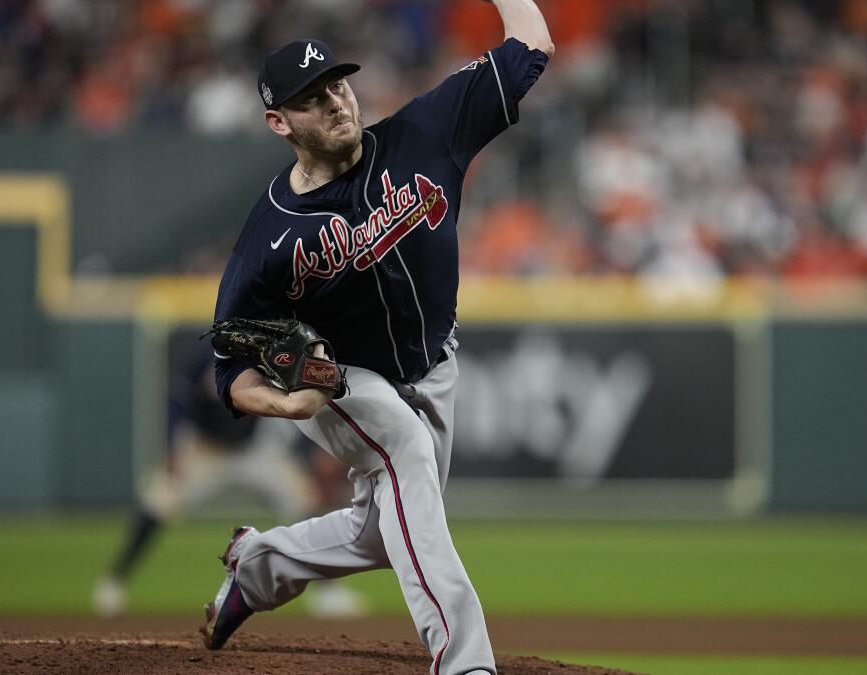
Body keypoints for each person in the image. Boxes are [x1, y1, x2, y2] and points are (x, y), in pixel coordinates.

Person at [199, 2, 553, 674]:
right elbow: (230, 372)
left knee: (381, 530)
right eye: (310, 99)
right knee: (404, 446)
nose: (333, 102)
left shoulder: (425, 131)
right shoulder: (268, 238)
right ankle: (463, 660)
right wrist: (292, 402)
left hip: (433, 362)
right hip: (340, 378)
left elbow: (531, 40)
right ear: (280, 123)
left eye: (336, 84)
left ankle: (257, 567)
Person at [92, 344, 367, 620]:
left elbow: (296, 401)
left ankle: (328, 592)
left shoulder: (268, 352)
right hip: (205, 447)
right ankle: (114, 582)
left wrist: (307, 454)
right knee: (159, 499)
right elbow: (176, 402)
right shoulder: (203, 356)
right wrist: (171, 445)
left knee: (307, 500)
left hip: (254, 449)